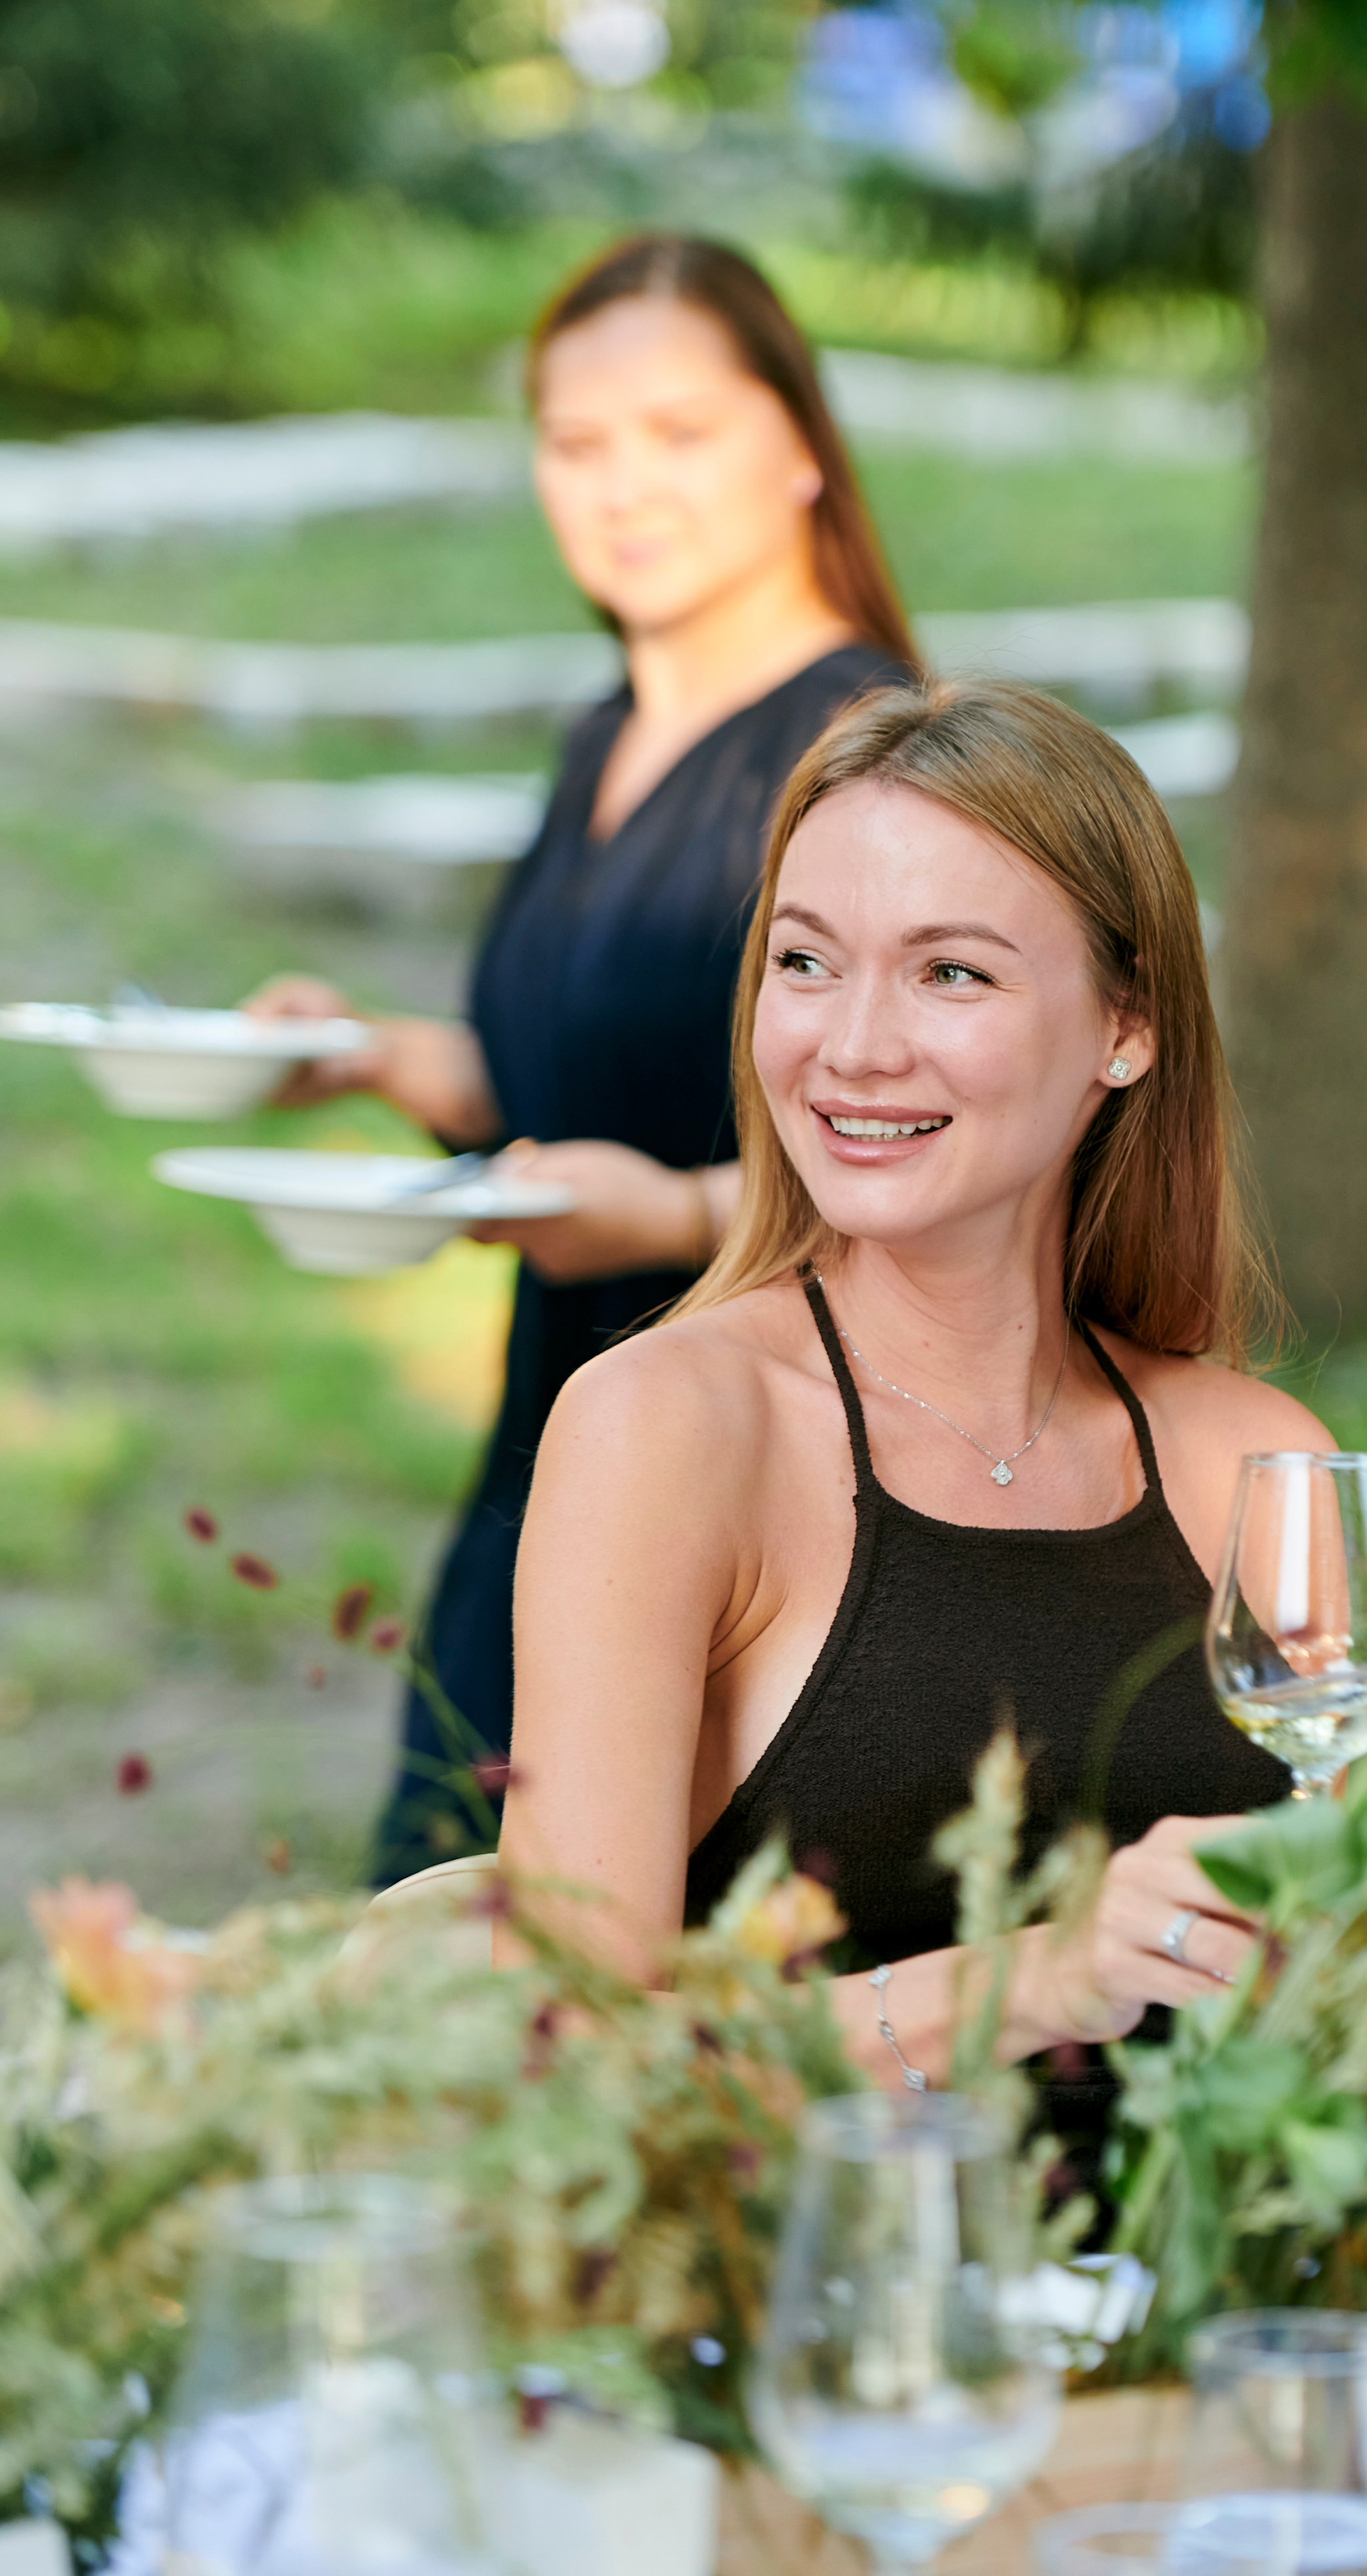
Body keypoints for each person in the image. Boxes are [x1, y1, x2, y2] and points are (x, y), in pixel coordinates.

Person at [503, 677, 1336, 2159]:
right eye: (805, 962)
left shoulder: (1252, 1460)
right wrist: (1039, 1980)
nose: (853, 1047)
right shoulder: (670, 1432)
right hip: (824, 2357)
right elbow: (571, 2067)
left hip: (1218, 2341)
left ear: (1124, 1027)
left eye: (948, 975)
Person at [246, 235, 917, 1881]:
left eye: (678, 434)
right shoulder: (605, 733)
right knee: (440, 1978)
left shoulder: (871, 758)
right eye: (576, 444)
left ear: (799, 446)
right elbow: (601, 1071)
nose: (623, 487)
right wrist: (397, 1062)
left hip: (760, 1500)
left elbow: (951, 1161)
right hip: (546, 1447)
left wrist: (682, 1218)